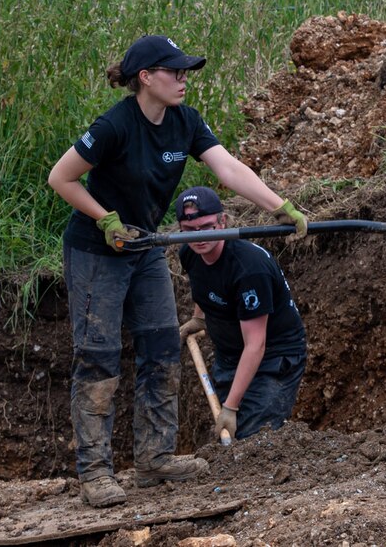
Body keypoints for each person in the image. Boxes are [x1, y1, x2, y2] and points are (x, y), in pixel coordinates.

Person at [46, 34, 310, 509]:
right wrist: (104, 219)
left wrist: (280, 205)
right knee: (99, 356)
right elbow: (60, 177)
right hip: (97, 250)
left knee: (163, 346)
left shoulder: (185, 123)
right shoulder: (114, 125)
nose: (184, 80)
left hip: (145, 245)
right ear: (146, 78)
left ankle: (155, 458)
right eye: (175, 72)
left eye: (186, 71)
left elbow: (228, 168)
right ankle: (96, 473)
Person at [172, 186, 309, 440]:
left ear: (223, 221)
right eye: (189, 231)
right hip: (230, 354)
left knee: (254, 436)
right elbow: (203, 282)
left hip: (274, 357)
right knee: (234, 434)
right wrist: (198, 318)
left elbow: (256, 344)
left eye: (206, 227)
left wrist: (230, 406)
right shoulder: (188, 252)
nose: (198, 237)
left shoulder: (249, 269)